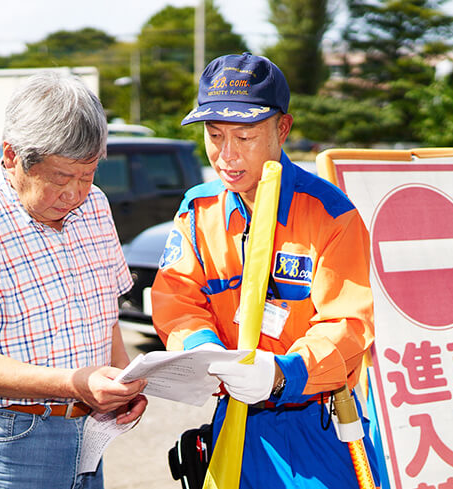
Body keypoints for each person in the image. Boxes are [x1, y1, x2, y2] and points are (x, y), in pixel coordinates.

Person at [151, 53, 377, 488]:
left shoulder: (330, 214)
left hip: (316, 423)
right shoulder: (199, 211)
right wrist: (207, 351)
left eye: (245, 136)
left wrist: (280, 373)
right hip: (233, 421)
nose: (227, 155)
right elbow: (176, 299)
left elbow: (347, 325)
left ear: (283, 129)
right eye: (214, 136)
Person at [0, 71, 148, 489]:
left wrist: (122, 380)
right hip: (6, 442)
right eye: (62, 178)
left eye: (88, 175)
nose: (75, 193)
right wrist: (73, 383)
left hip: (88, 436)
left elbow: (106, 312)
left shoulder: (95, 206)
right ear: (12, 156)